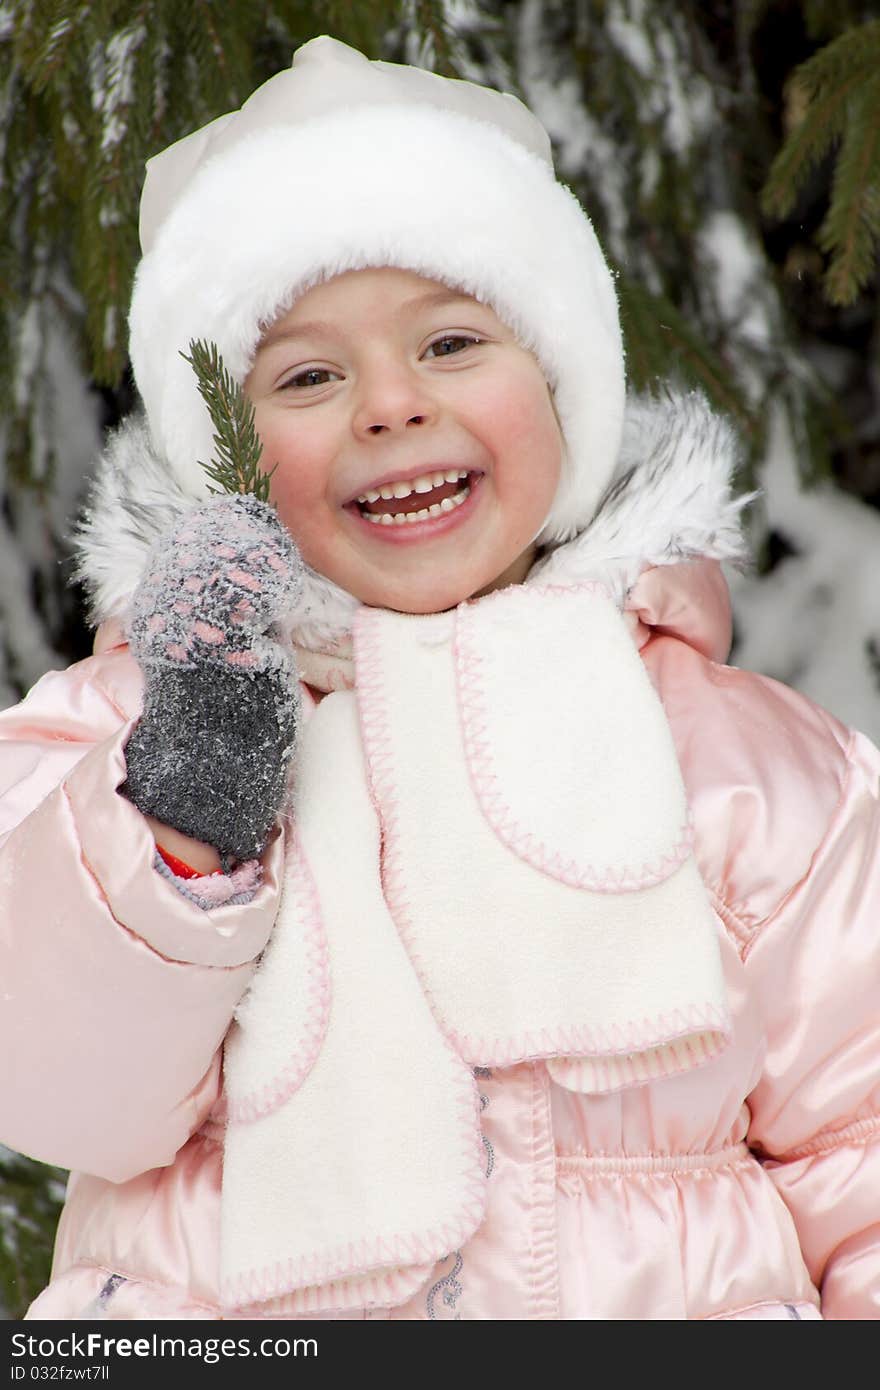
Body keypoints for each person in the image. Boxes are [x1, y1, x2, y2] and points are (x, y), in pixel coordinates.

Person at [1, 35, 877, 1323]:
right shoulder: (117, 736)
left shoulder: (735, 761)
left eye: (455, 341)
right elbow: (57, 1086)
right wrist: (182, 821)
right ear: (224, 454)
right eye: (308, 374)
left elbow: (861, 1140)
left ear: (564, 384)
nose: (391, 406)